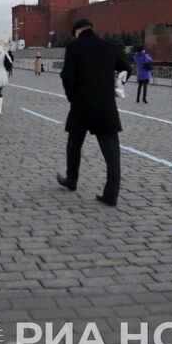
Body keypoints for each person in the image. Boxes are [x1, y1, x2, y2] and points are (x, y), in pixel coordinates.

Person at [56, 19, 131, 206]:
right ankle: (111, 194)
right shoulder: (108, 46)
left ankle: (71, 180)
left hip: (81, 105)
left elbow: (66, 76)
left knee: (74, 144)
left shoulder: (74, 47)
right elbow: (126, 69)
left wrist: (72, 96)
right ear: (92, 29)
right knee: (111, 151)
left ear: (78, 32)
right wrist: (116, 85)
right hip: (105, 106)